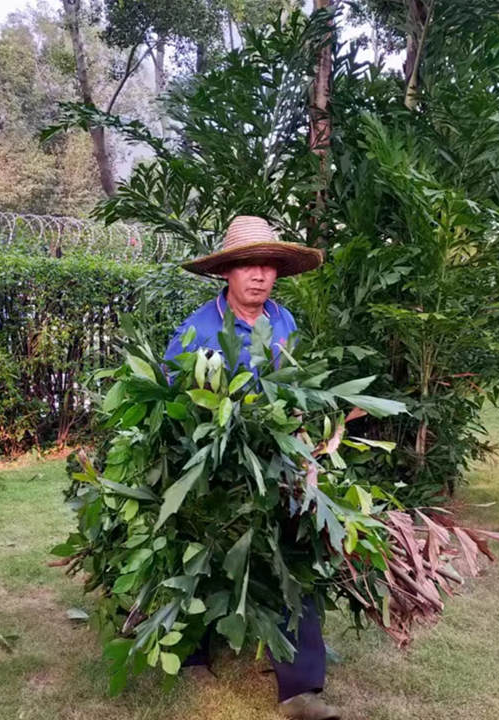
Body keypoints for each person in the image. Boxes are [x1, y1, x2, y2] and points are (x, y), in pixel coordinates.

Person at [163, 216, 340, 720]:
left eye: (267, 265)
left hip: (276, 460)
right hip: (210, 462)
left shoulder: (284, 322)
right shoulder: (197, 330)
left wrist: (303, 434)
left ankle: (300, 690)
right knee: (199, 553)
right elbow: (171, 405)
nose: (259, 275)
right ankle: (189, 650)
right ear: (227, 274)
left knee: (291, 554)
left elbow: (293, 388)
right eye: (247, 266)